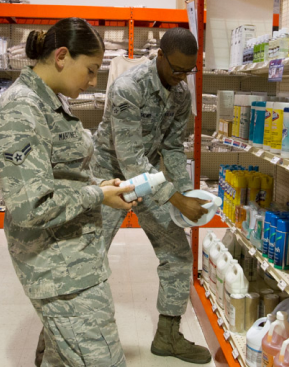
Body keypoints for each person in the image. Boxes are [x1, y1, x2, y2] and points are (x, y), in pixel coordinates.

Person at [0, 17, 137, 367]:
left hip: (75, 257)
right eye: (90, 69)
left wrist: (97, 186)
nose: (92, 80)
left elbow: (61, 173)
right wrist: (97, 196)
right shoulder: (21, 109)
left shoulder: (51, 100)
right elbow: (31, 204)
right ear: (61, 56)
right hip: (57, 269)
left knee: (63, 358)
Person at [91, 27, 212, 364]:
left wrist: (187, 192)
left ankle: (168, 337)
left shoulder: (180, 92)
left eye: (188, 71)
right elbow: (130, 162)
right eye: (175, 69)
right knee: (84, 261)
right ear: (159, 56)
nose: (180, 78)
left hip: (151, 181)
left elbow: (172, 147)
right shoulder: (127, 88)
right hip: (110, 179)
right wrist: (175, 197)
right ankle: (57, 339)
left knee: (178, 255)